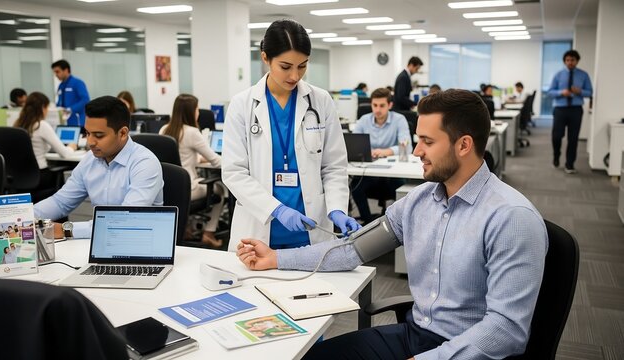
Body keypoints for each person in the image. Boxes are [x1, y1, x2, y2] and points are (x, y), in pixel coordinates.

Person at [236, 89, 548, 360]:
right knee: (315, 357)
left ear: (464, 145)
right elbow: (352, 249)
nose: (416, 151)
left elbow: (506, 330)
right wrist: (275, 258)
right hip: (417, 334)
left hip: (470, 349)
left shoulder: (511, 218)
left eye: (427, 141)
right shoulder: (420, 200)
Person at [222, 19, 360, 251]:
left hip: (311, 231)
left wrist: (337, 208)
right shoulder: (242, 105)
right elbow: (234, 172)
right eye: (286, 66)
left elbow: (334, 166)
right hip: (259, 231)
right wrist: (277, 210)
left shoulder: (321, 101)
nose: (295, 76)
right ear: (265, 58)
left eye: (302, 66)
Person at [0, 96, 164, 239]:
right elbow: (60, 202)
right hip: (100, 241)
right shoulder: (90, 161)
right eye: (87, 133)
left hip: (140, 243)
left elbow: (126, 221)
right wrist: (16, 218)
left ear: (123, 133)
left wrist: (66, 229)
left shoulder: (144, 163)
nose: (90, 142)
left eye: (99, 135)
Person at [160, 94, 226, 248]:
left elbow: (180, 157)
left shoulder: (165, 129)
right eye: (197, 109)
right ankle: (209, 233)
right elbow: (216, 161)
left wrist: (199, 159)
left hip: (167, 189)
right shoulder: (191, 132)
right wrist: (236, 162)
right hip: (189, 188)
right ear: (191, 111)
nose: (199, 113)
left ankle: (186, 229)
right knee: (220, 190)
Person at [351, 87, 413, 222]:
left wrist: (385, 152)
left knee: (405, 191)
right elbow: (354, 144)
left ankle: (395, 223)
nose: (377, 110)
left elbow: (407, 147)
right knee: (355, 187)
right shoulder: (364, 120)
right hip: (369, 170)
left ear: (390, 105)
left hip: (393, 173)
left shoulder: (399, 120)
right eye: (374, 105)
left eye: (382, 106)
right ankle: (367, 222)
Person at [14, 92, 78, 189]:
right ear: (43, 107)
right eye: (47, 108)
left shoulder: (17, 124)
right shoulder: (41, 125)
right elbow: (65, 154)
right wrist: (71, 147)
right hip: (40, 176)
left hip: (19, 176)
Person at [549, 49, 593, 174]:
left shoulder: (583, 75)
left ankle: (569, 164)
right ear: (565, 61)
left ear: (577, 61)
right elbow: (550, 92)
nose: (570, 62)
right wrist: (560, 92)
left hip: (576, 110)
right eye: (567, 60)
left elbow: (590, 92)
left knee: (573, 138)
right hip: (560, 109)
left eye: (572, 60)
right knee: (557, 136)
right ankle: (556, 156)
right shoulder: (558, 75)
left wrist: (580, 91)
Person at [52, 59, 90, 127]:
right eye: (54, 72)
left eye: (57, 72)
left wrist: (70, 109)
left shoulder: (77, 83)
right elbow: (60, 102)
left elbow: (85, 100)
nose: (56, 75)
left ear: (66, 70)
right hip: (64, 121)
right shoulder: (60, 86)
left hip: (77, 121)